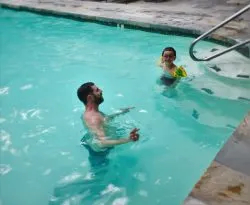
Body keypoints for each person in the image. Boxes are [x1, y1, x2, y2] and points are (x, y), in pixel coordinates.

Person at [77, 82, 140, 155]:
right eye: (97, 90)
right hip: (101, 154)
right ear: (90, 97)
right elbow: (102, 143)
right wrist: (128, 139)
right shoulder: (93, 118)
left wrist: (120, 112)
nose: (101, 91)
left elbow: (104, 120)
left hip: (96, 147)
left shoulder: (93, 113)